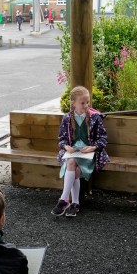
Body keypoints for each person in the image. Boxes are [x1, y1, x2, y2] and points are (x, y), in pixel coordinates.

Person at [51, 86, 108, 218]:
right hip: (73, 152)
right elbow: (61, 139)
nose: (86, 105)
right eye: (82, 103)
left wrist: (92, 147)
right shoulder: (67, 118)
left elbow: (103, 138)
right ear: (73, 103)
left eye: (87, 102)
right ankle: (75, 203)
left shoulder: (95, 118)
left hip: (90, 153)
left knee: (71, 162)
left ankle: (64, 199)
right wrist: (66, 147)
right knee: (73, 165)